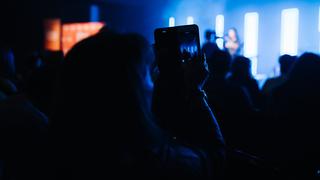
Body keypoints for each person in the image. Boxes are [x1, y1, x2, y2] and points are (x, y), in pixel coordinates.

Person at [51, 30, 224, 179]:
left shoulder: (59, 156)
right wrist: (195, 91)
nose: (153, 83)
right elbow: (216, 159)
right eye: (147, 75)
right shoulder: (163, 164)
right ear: (132, 89)